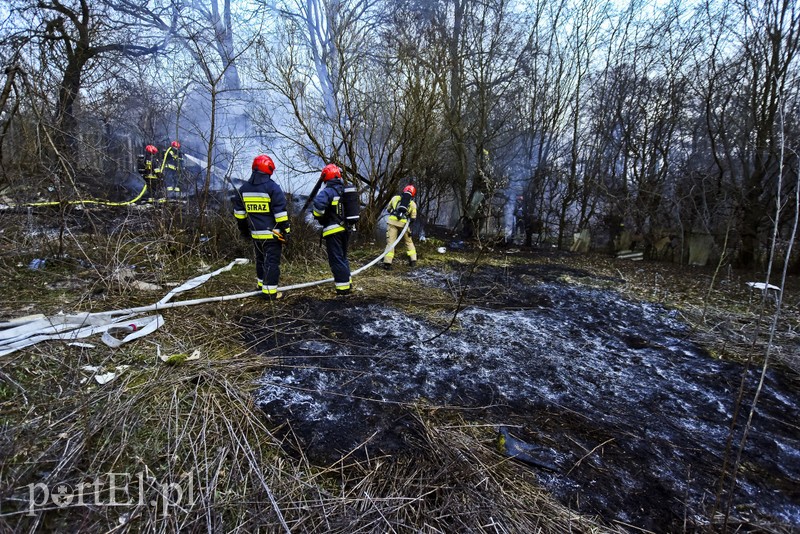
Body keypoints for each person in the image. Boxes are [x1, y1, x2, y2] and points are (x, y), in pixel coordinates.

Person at [232, 154, 291, 300]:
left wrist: (244, 231)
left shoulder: (243, 189)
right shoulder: (273, 188)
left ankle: (261, 285)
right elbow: (280, 214)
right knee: (271, 262)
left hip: (255, 234)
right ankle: (270, 293)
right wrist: (286, 230)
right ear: (269, 169)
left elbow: (240, 215)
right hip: (272, 234)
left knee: (260, 260)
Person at [312, 163, 351, 296]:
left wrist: (319, 216)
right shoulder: (345, 190)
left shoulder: (328, 191)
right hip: (346, 229)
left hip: (333, 230)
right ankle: (347, 283)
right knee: (343, 257)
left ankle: (342, 289)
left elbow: (318, 206)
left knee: (336, 260)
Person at [382, 184, 418, 270]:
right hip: (404, 225)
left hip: (392, 223)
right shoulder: (412, 204)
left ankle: (387, 263)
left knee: (391, 243)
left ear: (404, 190)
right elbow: (413, 218)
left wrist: (394, 212)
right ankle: (413, 261)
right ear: (413, 194)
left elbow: (388, 209)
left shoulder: (395, 198)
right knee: (408, 242)